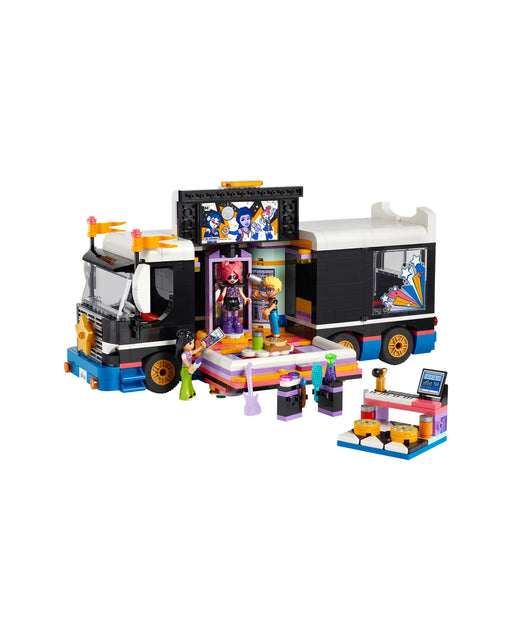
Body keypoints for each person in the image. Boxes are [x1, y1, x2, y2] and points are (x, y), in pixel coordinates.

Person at [217, 260, 250, 334]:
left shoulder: (237, 286)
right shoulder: (226, 286)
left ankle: (235, 320)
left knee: (235, 311)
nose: (232, 280)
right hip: (228, 301)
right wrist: (221, 299)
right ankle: (229, 321)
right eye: (229, 277)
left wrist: (245, 298)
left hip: (235, 300)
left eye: (235, 277)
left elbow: (240, 293)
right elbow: (223, 293)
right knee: (229, 311)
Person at [176, 328, 205, 401]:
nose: (192, 345)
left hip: (189, 369)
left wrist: (201, 347)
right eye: (190, 343)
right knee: (185, 382)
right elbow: (185, 361)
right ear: (182, 344)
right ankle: (184, 396)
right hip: (185, 369)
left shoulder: (188, 352)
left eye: (193, 343)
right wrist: (190, 366)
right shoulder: (184, 354)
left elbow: (194, 351)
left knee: (189, 381)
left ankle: (191, 393)